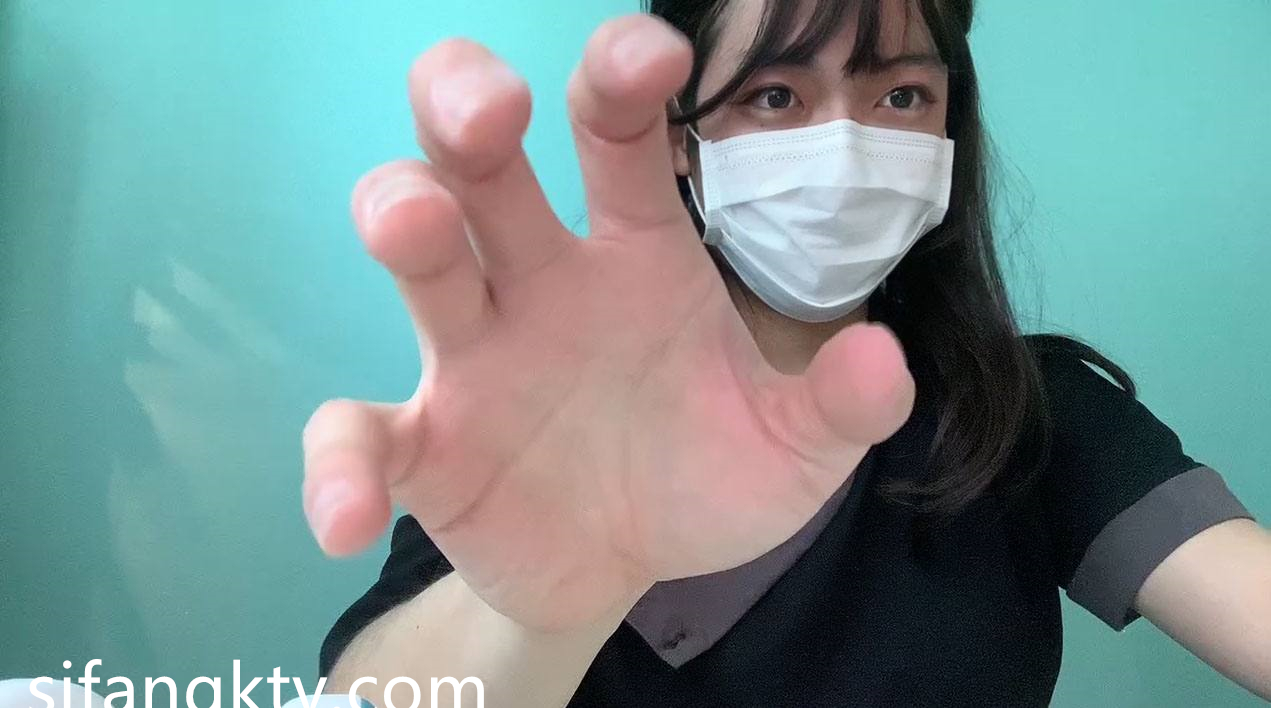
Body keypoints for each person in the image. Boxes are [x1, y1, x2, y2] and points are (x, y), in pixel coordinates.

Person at [301, 0, 1271, 705]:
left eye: (899, 94)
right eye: (773, 95)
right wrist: (548, 605)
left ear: (949, 125)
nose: (843, 151)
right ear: (679, 138)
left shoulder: (1024, 410)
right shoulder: (553, 411)